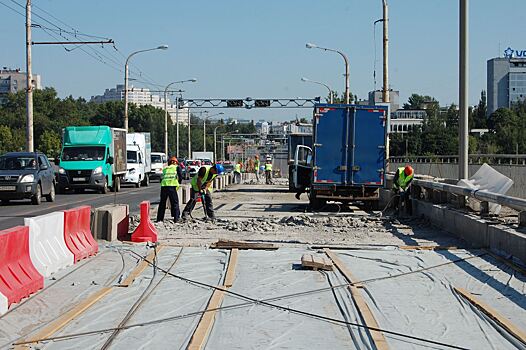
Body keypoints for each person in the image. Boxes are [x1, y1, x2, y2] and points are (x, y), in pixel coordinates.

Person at [156, 157, 183, 222]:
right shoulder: (177, 167)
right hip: (172, 186)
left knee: (162, 203)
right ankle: (176, 218)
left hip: (164, 186)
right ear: (176, 162)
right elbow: (180, 176)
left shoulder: (165, 168)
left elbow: (161, 177)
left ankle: (159, 219)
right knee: (175, 203)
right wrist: (178, 183)